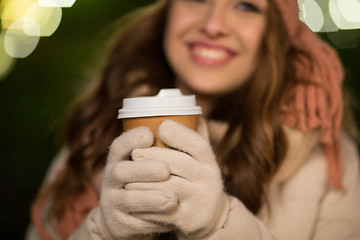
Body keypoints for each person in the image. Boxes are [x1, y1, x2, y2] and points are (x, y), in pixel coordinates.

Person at [26, 0, 360, 239]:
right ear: (167, 13)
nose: (214, 25)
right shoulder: (93, 134)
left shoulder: (330, 161)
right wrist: (101, 230)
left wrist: (220, 224)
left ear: (275, 34)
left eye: (246, 6)